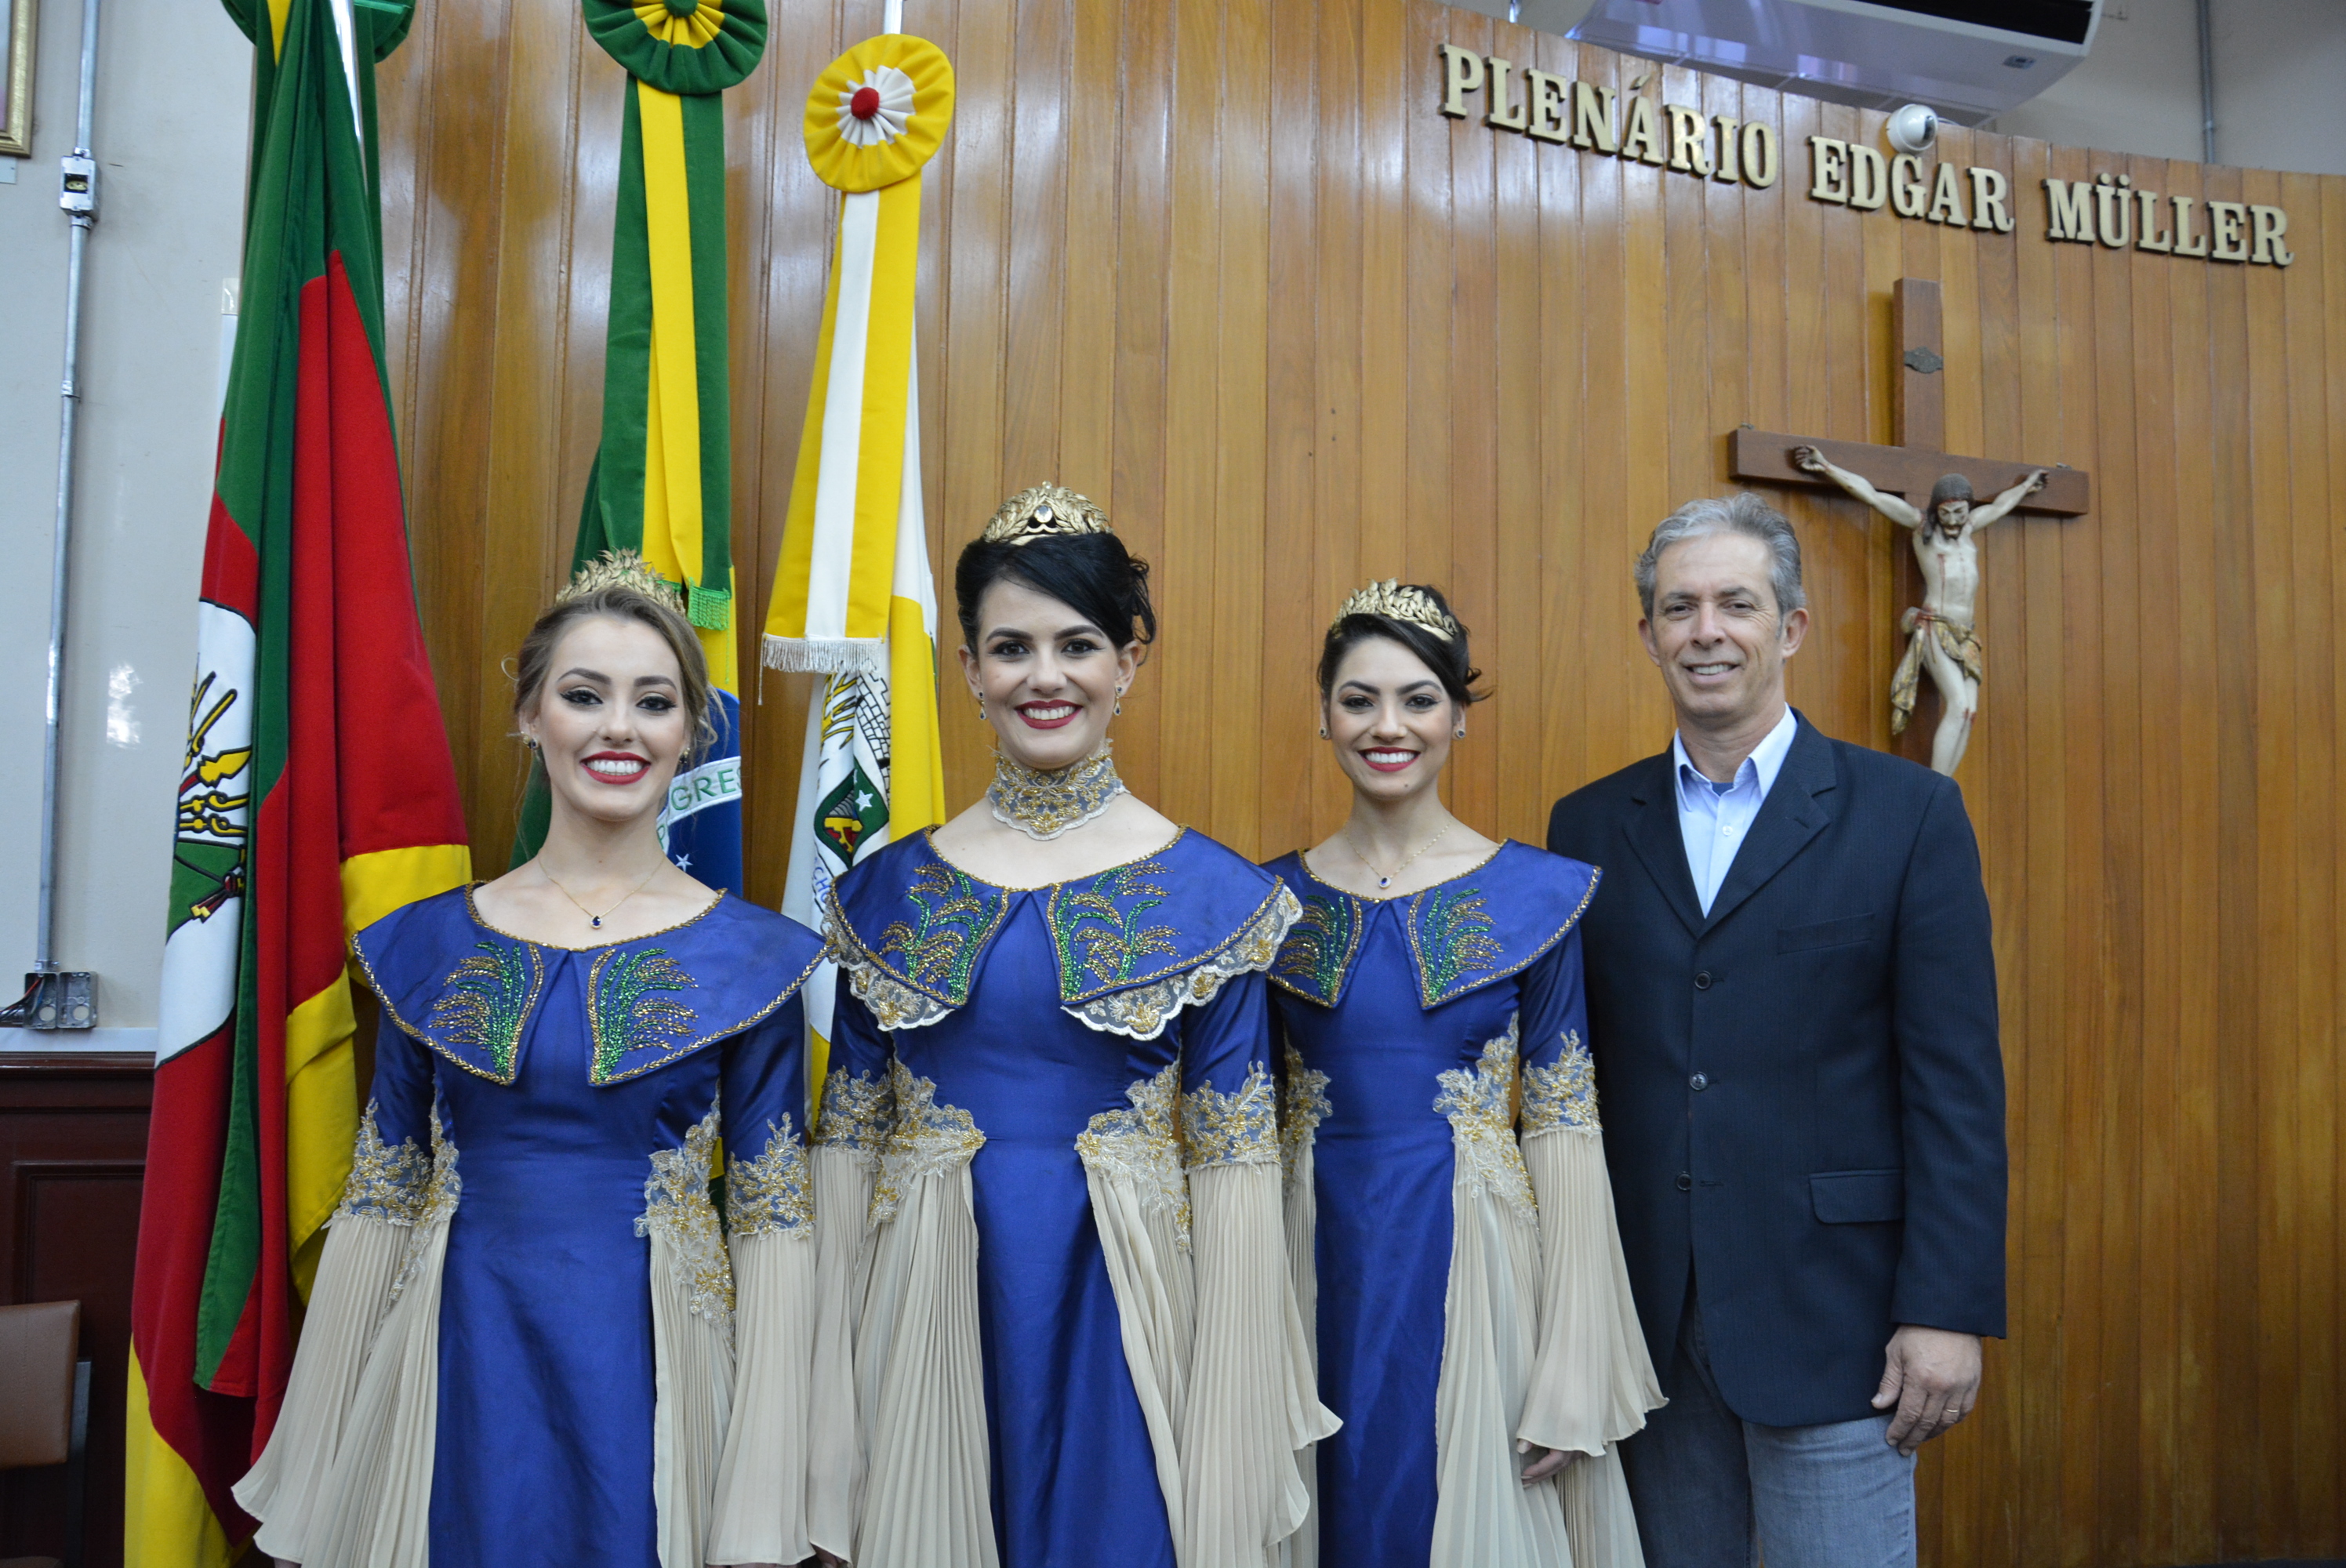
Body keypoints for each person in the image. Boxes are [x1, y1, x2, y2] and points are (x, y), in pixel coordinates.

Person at [234, 554, 826, 1568]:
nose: (618, 729)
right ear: (529, 716)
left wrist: (778, 1489)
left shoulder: (755, 961)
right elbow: (382, 1197)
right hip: (455, 1358)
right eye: (583, 695)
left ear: (691, 733)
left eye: (654, 702)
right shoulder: (427, 946)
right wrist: (324, 1466)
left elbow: (775, 1227)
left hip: (657, 1370)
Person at [807, 485, 1337, 1568]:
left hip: (1129, 1306)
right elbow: (844, 1153)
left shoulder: (1211, 898)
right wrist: (821, 1407)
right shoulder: (886, 894)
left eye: (1077, 644)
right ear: (968, 669)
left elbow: (1238, 1170)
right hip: (925, 1308)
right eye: (1011, 647)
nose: (1043, 677)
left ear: (1127, 665)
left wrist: (1230, 1424)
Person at [1545, 494, 2006, 1568]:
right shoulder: (1588, 825)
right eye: (1679, 608)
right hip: (1648, 1331)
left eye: (1736, 604)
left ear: (1790, 627)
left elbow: (1955, 1089)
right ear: (1650, 634)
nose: (1707, 631)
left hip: (1836, 1325)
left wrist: (1946, 1309)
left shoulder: (1907, 816)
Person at [1262, 582, 1661, 1568]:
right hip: (1307, 1251)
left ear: (1459, 718)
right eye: (1358, 699)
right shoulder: (1265, 902)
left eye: (1418, 698)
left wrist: (1576, 1370)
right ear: (1323, 714)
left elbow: (1566, 1127)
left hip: (1480, 1265)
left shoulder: (1538, 896)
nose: (1386, 725)